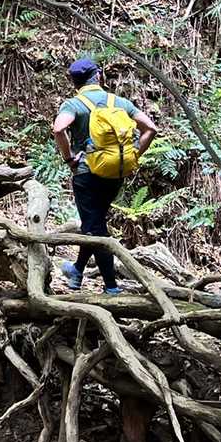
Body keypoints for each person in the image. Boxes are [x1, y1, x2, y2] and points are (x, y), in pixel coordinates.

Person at [51, 57, 158, 295]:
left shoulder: (74, 104)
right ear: (98, 76)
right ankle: (77, 270)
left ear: (74, 83)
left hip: (86, 174)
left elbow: (59, 129)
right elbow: (151, 128)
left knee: (95, 227)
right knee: (94, 222)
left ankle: (111, 287)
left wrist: (69, 159)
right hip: (114, 173)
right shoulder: (118, 102)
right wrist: (134, 154)